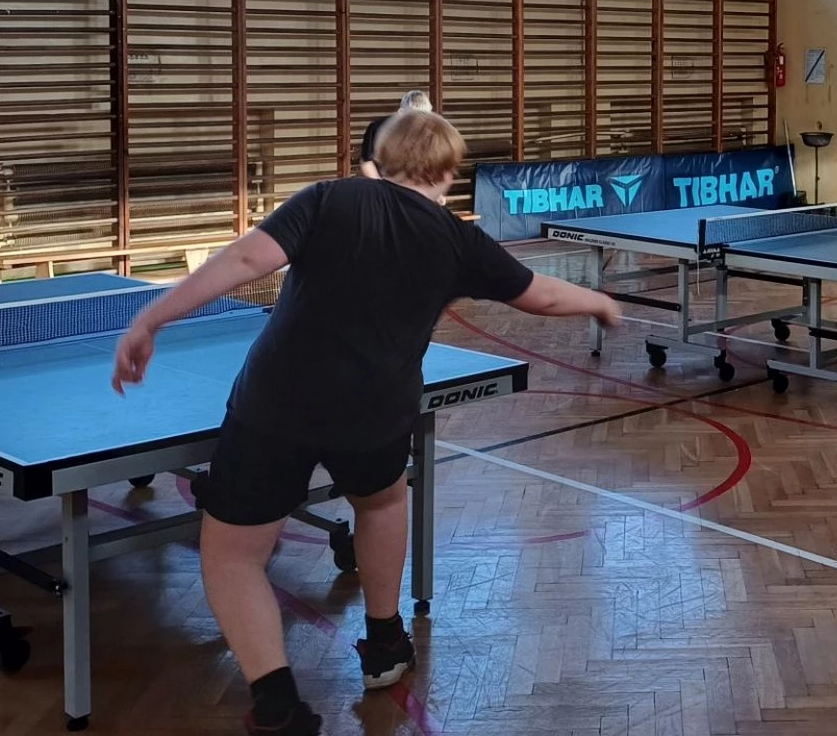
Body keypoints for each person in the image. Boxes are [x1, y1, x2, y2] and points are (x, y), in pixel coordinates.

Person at [110, 108, 620, 736]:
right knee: (380, 503)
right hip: (376, 411)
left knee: (234, 556)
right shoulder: (458, 239)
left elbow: (245, 260)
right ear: (449, 172)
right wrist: (598, 300)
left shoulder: (328, 198)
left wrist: (152, 318)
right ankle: (384, 644)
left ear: (380, 158)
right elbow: (540, 294)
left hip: (277, 405)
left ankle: (277, 703)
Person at [357, 90, 433, 179]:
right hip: (382, 178)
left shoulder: (431, 131)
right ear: (401, 112)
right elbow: (367, 161)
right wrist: (379, 183)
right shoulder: (378, 128)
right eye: (411, 117)